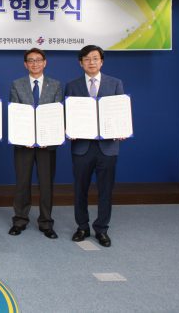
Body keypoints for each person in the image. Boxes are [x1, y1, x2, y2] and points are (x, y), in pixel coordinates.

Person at [65, 45, 125, 248]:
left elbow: (120, 113)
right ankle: (82, 227)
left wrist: (121, 128)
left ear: (102, 61)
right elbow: (67, 115)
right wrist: (68, 129)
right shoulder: (72, 86)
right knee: (80, 189)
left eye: (95, 58)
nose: (91, 62)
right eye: (87, 59)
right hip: (81, 147)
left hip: (107, 147)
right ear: (80, 63)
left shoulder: (115, 83)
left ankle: (102, 229)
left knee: (105, 190)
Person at [8, 48, 63, 239]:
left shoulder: (55, 85)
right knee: (22, 183)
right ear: (25, 64)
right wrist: (25, 136)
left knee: (46, 184)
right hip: (24, 144)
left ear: (45, 62)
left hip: (48, 144)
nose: (35, 63)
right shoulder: (17, 84)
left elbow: (57, 114)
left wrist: (48, 137)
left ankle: (46, 222)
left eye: (38, 60)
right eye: (30, 60)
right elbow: (15, 113)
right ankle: (20, 220)